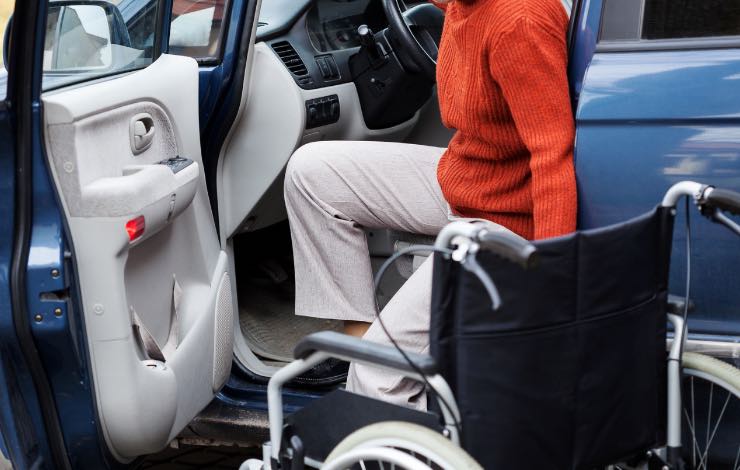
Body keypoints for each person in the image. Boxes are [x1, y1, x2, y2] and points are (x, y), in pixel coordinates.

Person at [284, 0, 576, 409]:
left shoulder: (519, 20)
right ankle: (358, 345)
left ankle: (389, 405)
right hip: (469, 180)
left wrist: (549, 274)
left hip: (511, 220)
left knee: (379, 375)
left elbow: (552, 155)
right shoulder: (461, 4)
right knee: (311, 174)